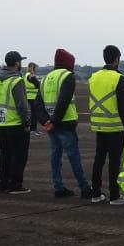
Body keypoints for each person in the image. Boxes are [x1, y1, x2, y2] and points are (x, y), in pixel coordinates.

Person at [38, 48, 94, 198]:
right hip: (65, 123)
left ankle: (58, 187)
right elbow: (64, 101)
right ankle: (84, 187)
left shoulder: (45, 78)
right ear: (68, 63)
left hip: (50, 124)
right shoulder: (68, 76)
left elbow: (37, 103)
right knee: (73, 156)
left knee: (55, 156)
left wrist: (45, 121)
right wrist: (54, 121)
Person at [88, 45, 124, 205]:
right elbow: (123, 105)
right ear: (117, 59)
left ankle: (96, 193)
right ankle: (114, 195)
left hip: (99, 124)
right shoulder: (118, 78)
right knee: (114, 161)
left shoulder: (94, 77)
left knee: (98, 159)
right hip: (115, 126)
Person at [0, 51, 32, 194]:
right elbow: (22, 105)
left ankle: (3, 183)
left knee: (5, 155)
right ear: (17, 63)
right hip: (16, 123)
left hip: (2, 123)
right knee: (19, 155)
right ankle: (15, 184)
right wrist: (27, 122)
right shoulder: (17, 80)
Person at [25, 62, 42, 133]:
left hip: (30, 96)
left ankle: (34, 129)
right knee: (34, 113)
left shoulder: (27, 75)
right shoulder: (30, 76)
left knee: (34, 113)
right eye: (35, 68)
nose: (36, 70)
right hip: (33, 97)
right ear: (32, 68)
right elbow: (38, 84)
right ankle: (33, 129)